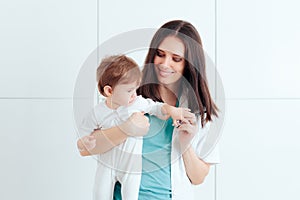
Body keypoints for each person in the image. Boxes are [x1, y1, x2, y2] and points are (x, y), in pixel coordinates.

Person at [79, 20, 220, 200]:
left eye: (176, 59)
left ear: (190, 64)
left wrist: (185, 145)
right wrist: (125, 129)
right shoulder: (130, 95)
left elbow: (198, 177)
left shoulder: (200, 111)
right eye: (160, 54)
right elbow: (88, 146)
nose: (165, 64)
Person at [77, 55, 193, 200]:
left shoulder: (137, 103)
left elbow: (157, 108)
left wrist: (172, 110)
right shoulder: (98, 112)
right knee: (99, 194)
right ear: (109, 91)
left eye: (135, 89)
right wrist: (85, 142)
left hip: (130, 166)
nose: (135, 94)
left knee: (131, 195)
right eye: (129, 91)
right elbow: (82, 136)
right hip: (107, 164)